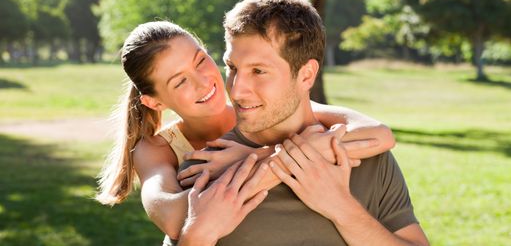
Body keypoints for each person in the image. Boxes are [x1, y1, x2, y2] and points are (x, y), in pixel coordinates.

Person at [95, 21, 396, 239]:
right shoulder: (159, 147)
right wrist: (260, 163)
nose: (203, 81)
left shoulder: (256, 111)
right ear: (154, 102)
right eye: (180, 81)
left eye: (201, 61)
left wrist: (257, 155)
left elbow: (377, 135)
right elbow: (172, 217)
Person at [177, 0, 429, 245]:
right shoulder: (206, 167)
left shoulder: (367, 159)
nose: (237, 89)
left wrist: (342, 209)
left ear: (307, 75)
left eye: (258, 71)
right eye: (232, 68)